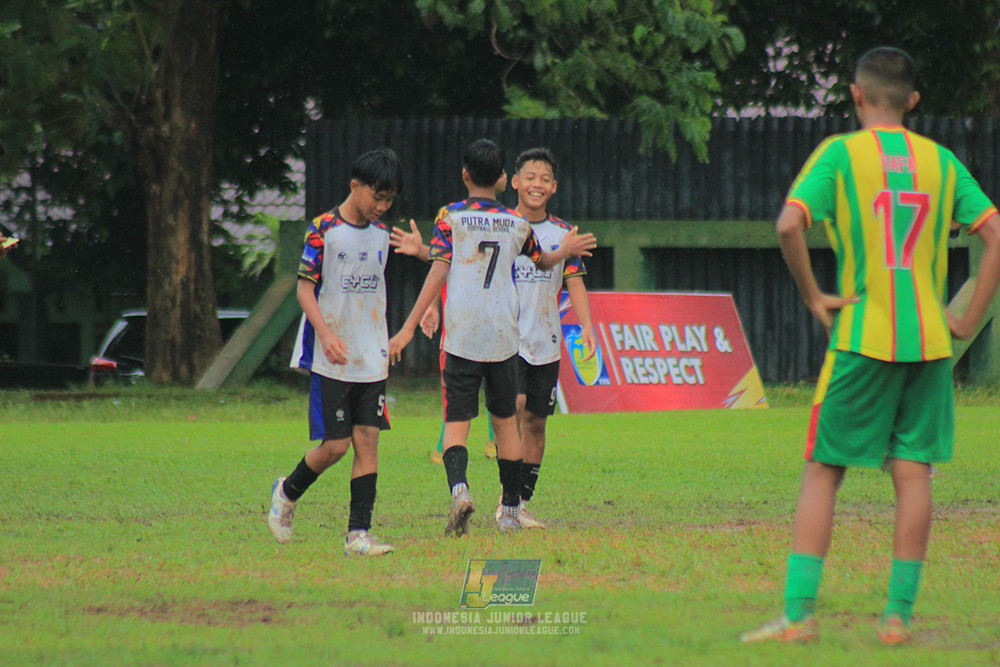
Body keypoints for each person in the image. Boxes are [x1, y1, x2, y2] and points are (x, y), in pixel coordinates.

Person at [741, 47, 1000, 644]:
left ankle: (799, 616)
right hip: (930, 345)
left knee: (823, 471)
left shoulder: (840, 155)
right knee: (913, 475)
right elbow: (993, 234)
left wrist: (814, 295)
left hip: (862, 338)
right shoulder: (940, 161)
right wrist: (967, 320)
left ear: (855, 95)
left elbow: (788, 224)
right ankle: (897, 618)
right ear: (912, 101)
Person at [387, 138, 595, 536]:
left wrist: (409, 325)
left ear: (465, 175)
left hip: (464, 335)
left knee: (457, 423)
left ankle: (461, 490)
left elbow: (443, 266)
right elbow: (544, 259)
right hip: (505, 337)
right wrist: (563, 250)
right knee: (505, 424)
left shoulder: (451, 216)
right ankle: (512, 512)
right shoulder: (517, 226)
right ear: (505, 179)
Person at [267, 148, 403, 557]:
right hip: (331, 357)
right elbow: (303, 289)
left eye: (389, 199)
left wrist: (418, 250)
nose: (382, 207)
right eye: (376, 197)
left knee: (367, 442)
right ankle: (287, 492)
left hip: (371, 356)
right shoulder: (322, 229)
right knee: (335, 447)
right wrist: (325, 335)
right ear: (355, 186)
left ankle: (358, 535)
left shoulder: (384, 235)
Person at [492, 147, 597, 530]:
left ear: (553, 187)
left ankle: (519, 503)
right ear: (515, 182)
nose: (537, 184)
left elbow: (575, 282)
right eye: (530, 177)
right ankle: (505, 500)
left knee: (537, 422)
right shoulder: (503, 226)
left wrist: (586, 326)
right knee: (516, 410)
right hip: (507, 341)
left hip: (546, 343)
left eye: (544, 179)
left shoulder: (562, 234)